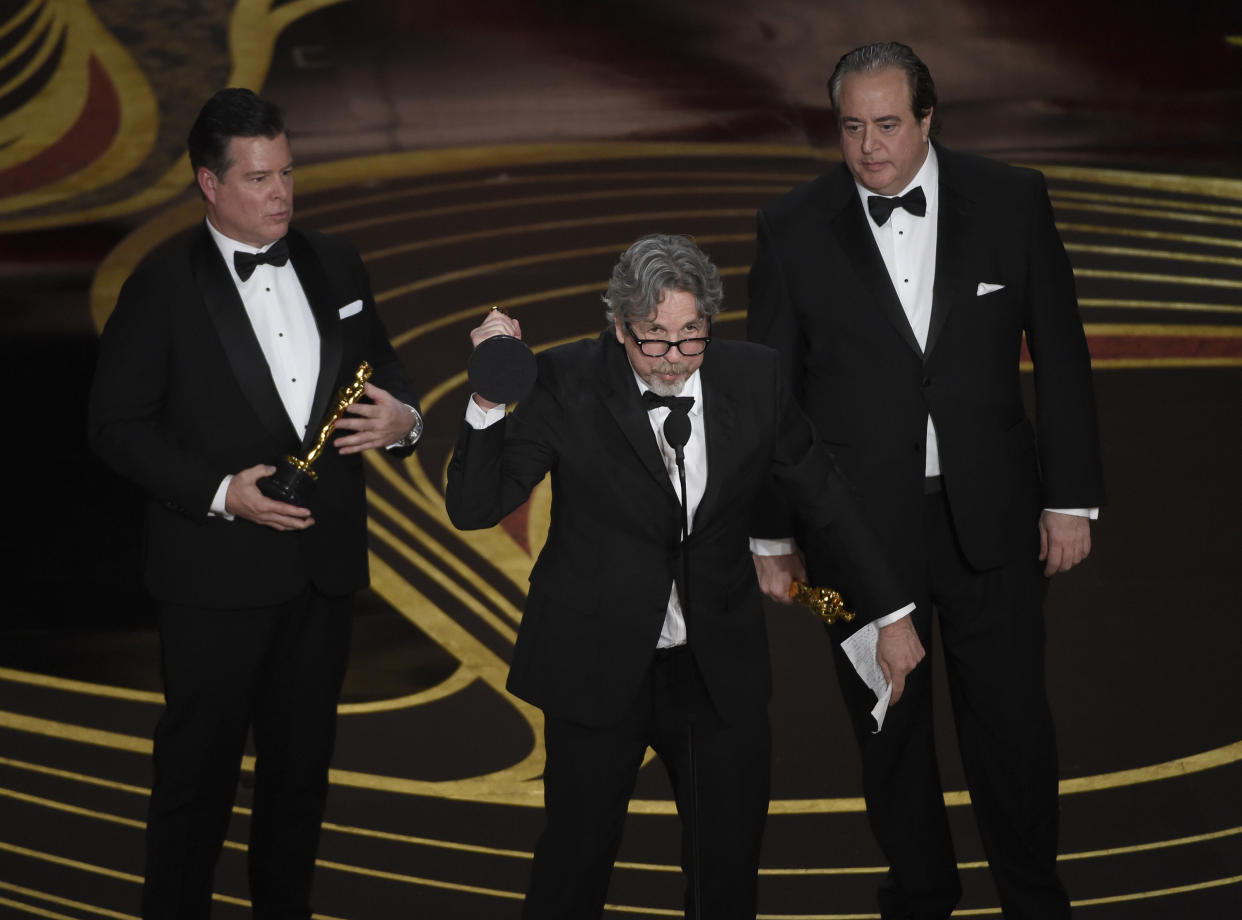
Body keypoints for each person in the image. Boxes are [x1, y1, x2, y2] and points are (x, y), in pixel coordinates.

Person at [445, 233, 920, 920]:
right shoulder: (566, 381)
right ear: (618, 326)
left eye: (689, 337)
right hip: (595, 661)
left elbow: (827, 499)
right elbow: (474, 507)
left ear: (710, 323)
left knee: (725, 870)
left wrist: (892, 614)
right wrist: (491, 392)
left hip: (715, 666)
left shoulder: (755, 378)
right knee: (575, 863)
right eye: (652, 339)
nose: (671, 359)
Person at [746, 42, 1105, 920]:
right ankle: (919, 899)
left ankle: (1034, 899)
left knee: (1014, 731)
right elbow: (769, 395)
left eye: (889, 125)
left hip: (999, 525)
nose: (870, 147)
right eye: (853, 127)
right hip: (848, 549)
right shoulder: (789, 227)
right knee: (887, 732)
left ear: (929, 119)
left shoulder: (1014, 201)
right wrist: (771, 536)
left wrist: (1070, 497)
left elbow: (1061, 356)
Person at [88, 88, 423, 919]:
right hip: (212, 578)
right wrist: (219, 493)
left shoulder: (338, 262)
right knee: (195, 780)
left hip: (322, 573)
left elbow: (380, 361)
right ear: (210, 184)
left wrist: (404, 418)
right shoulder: (160, 286)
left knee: (300, 779)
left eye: (288, 172)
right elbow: (113, 426)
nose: (281, 193)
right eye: (259, 177)